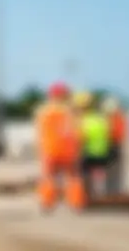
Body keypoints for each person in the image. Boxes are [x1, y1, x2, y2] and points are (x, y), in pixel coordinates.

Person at [35, 82, 85, 213]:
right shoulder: (72, 112)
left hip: (50, 149)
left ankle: (47, 202)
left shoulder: (44, 111)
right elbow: (78, 132)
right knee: (73, 177)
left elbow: (40, 132)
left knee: (49, 177)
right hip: (69, 149)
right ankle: (76, 204)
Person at [78, 92, 111, 205]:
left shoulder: (85, 121)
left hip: (88, 151)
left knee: (84, 174)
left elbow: (82, 137)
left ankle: (87, 195)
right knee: (99, 173)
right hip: (102, 150)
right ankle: (100, 194)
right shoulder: (101, 119)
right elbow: (108, 134)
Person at [102, 96, 127, 195]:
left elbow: (115, 133)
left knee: (112, 170)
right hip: (114, 145)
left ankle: (112, 190)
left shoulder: (112, 118)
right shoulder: (118, 118)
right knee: (112, 170)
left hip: (112, 145)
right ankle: (113, 190)